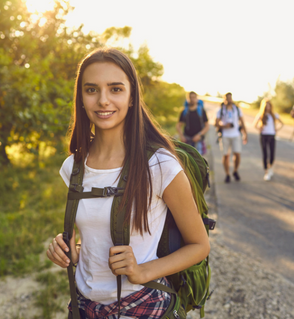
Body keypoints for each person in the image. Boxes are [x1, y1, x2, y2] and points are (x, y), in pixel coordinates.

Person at [46, 48, 210, 319]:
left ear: (132, 96)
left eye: (115, 89)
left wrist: (142, 271)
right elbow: (92, 241)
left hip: (142, 304)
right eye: (91, 90)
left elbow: (199, 245)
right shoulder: (72, 167)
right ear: (81, 98)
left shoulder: (159, 165)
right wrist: (70, 253)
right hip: (84, 306)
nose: (103, 100)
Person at [215, 92, 247, 183]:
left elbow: (242, 122)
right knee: (226, 155)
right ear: (224, 99)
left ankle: (235, 170)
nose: (229, 100)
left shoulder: (237, 109)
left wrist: (245, 134)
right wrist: (224, 126)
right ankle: (227, 174)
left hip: (236, 135)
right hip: (225, 135)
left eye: (230, 98)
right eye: (227, 98)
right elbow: (216, 123)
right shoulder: (220, 110)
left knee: (237, 154)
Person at [253, 99, 284, 181]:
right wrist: (259, 128)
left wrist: (277, 129)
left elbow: (282, 123)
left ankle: (270, 168)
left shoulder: (274, 115)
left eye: (269, 106)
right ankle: (266, 171)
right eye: (266, 106)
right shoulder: (260, 115)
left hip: (272, 136)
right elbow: (254, 125)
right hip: (263, 136)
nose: (268, 107)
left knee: (272, 155)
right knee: (265, 154)